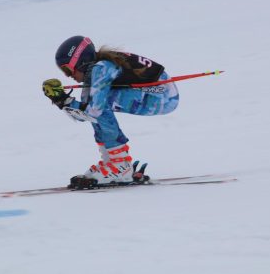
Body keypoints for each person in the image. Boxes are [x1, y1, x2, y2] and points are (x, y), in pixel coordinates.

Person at [42, 35, 179, 188]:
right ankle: (111, 161)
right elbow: (84, 116)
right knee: (96, 106)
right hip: (155, 93)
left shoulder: (101, 69)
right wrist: (61, 100)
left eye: (68, 69)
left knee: (100, 105)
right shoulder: (94, 72)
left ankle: (120, 164)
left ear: (80, 62)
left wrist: (65, 101)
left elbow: (94, 111)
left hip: (162, 95)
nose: (69, 75)